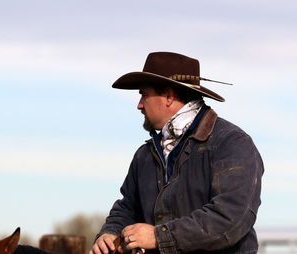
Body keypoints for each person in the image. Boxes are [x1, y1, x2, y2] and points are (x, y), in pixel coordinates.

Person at [89, 52, 264, 254]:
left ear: (169, 97)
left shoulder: (231, 143)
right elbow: (128, 207)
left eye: (144, 94)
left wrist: (158, 236)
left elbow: (230, 218)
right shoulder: (144, 155)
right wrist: (110, 233)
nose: (139, 104)